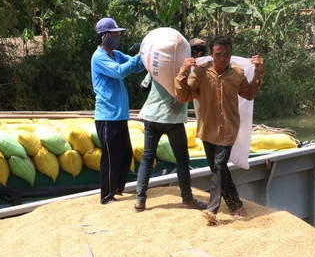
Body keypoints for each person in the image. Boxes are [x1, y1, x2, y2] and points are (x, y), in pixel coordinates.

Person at [174, 35, 264, 224]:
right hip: (208, 129)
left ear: (231, 55)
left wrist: (258, 73)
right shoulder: (200, 72)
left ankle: (212, 209)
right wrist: (182, 72)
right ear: (212, 55)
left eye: (226, 55)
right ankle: (236, 205)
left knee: (219, 166)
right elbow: (184, 97)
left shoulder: (237, 73)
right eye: (218, 55)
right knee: (219, 169)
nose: (223, 59)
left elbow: (249, 94)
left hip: (228, 129)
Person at [133, 38, 207, 212]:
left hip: (151, 116)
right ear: (198, 54)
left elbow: (144, 87)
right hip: (172, 119)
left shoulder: (162, 63)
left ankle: (140, 201)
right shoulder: (191, 69)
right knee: (182, 159)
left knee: (147, 158)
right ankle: (187, 200)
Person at [91, 17, 145, 204]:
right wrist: (138, 57)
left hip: (120, 115)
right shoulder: (99, 57)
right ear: (104, 36)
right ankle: (106, 196)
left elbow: (135, 66)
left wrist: (145, 56)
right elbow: (120, 71)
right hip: (107, 116)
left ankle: (117, 190)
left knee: (125, 154)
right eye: (115, 34)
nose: (118, 36)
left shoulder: (116, 54)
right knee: (111, 157)